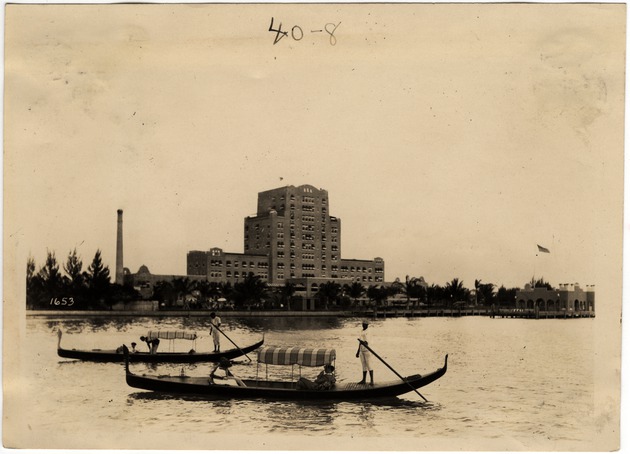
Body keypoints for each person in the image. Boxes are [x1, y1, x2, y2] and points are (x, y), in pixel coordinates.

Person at [356, 320, 374, 385]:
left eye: (365, 324)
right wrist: (358, 351)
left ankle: (372, 381)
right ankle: (364, 380)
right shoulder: (361, 331)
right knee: (363, 365)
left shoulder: (368, 332)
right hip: (361, 350)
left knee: (369, 365)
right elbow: (360, 342)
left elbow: (366, 342)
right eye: (363, 324)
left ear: (367, 325)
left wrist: (362, 342)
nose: (363, 325)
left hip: (367, 350)